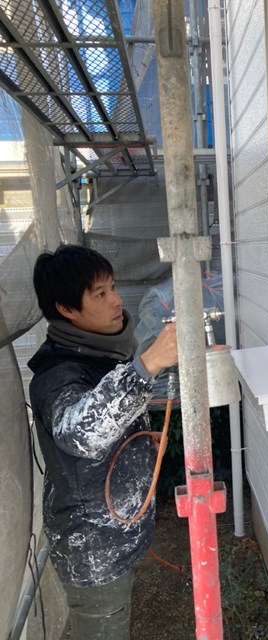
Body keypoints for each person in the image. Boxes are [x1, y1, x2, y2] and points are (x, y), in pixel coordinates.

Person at [28, 244, 178, 640]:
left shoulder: (99, 353)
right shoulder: (56, 376)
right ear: (66, 309)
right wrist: (148, 363)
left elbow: (112, 421)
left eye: (112, 287)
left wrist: (141, 443)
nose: (116, 300)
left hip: (115, 538)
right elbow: (82, 432)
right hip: (92, 550)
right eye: (100, 293)